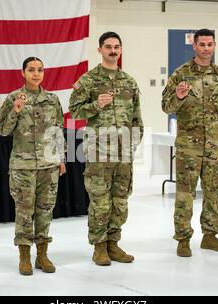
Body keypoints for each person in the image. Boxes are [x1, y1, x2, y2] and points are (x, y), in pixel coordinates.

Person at [69, 32, 144, 266]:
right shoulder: (88, 81)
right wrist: (95, 104)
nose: (113, 50)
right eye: (108, 46)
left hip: (123, 153)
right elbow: (74, 112)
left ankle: (114, 243)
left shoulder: (129, 82)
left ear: (120, 50)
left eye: (117, 46)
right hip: (99, 152)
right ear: (100, 50)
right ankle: (99, 246)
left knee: (120, 200)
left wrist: (133, 142)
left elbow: (136, 118)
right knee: (100, 201)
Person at [162, 29, 218, 257]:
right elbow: (167, 106)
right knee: (185, 193)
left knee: (212, 192)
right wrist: (180, 96)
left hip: (215, 145)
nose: (206, 48)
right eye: (202, 44)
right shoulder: (180, 74)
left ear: (214, 46)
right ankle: (183, 239)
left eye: (210, 44)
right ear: (194, 46)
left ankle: (210, 236)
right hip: (188, 147)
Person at [0, 57, 66, 276]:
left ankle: (42, 255)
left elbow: (58, 131)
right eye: (31, 70)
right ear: (23, 73)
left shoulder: (52, 100)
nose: (36, 74)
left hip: (49, 166)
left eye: (40, 70)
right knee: (24, 212)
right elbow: (2, 130)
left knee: (45, 211)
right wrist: (16, 110)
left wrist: (61, 159)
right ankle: (24, 257)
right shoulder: (13, 98)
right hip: (23, 166)